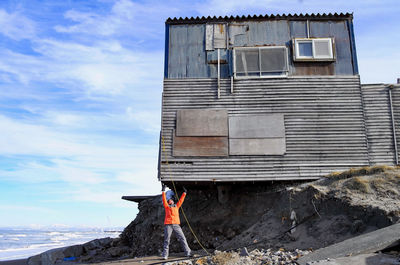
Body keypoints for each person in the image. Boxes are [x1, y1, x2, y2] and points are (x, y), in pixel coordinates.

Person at [161, 184, 191, 260]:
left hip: (176, 225)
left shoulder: (177, 206)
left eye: (171, 200)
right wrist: (163, 191)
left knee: (182, 238)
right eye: (169, 200)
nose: (169, 200)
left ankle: (188, 252)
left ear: (173, 201)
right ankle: (165, 255)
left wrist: (184, 193)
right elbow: (164, 199)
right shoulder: (166, 206)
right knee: (167, 240)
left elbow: (181, 200)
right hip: (168, 225)